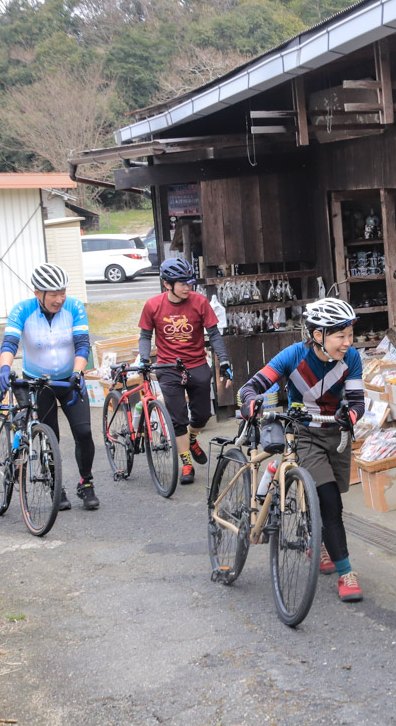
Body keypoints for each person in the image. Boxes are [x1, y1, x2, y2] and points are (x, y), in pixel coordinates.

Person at [237, 298, 364, 602]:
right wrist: (250, 400)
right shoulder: (294, 355)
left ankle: (314, 539)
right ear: (318, 334)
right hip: (304, 433)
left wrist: (352, 415)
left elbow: (357, 400)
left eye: (349, 335)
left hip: (335, 434)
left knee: (327, 496)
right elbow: (252, 385)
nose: (347, 342)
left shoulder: (352, 358)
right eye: (340, 336)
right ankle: (346, 573)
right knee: (331, 502)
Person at [0, 263, 98, 511]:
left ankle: (86, 483)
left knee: (84, 433)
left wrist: (77, 372)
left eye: (62, 292)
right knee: (48, 437)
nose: (59, 299)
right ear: (37, 293)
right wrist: (5, 369)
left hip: (69, 380)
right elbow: (10, 343)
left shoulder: (74, 307)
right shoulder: (22, 310)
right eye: (53, 294)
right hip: (39, 383)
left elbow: (82, 344)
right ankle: (55, 484)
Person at [138, 258, 232, 485]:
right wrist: (143, 360)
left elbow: (215, 334)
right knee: (178, 418)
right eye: (182, 283)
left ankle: (191, 438)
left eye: (189, 282)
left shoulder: (199, 302)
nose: (188, 287)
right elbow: (145, 336)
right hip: (168, 367)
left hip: (197, 364)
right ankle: (186, 462)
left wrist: (225, 362)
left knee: (201, 415)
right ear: (166, 284)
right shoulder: (153, 305)